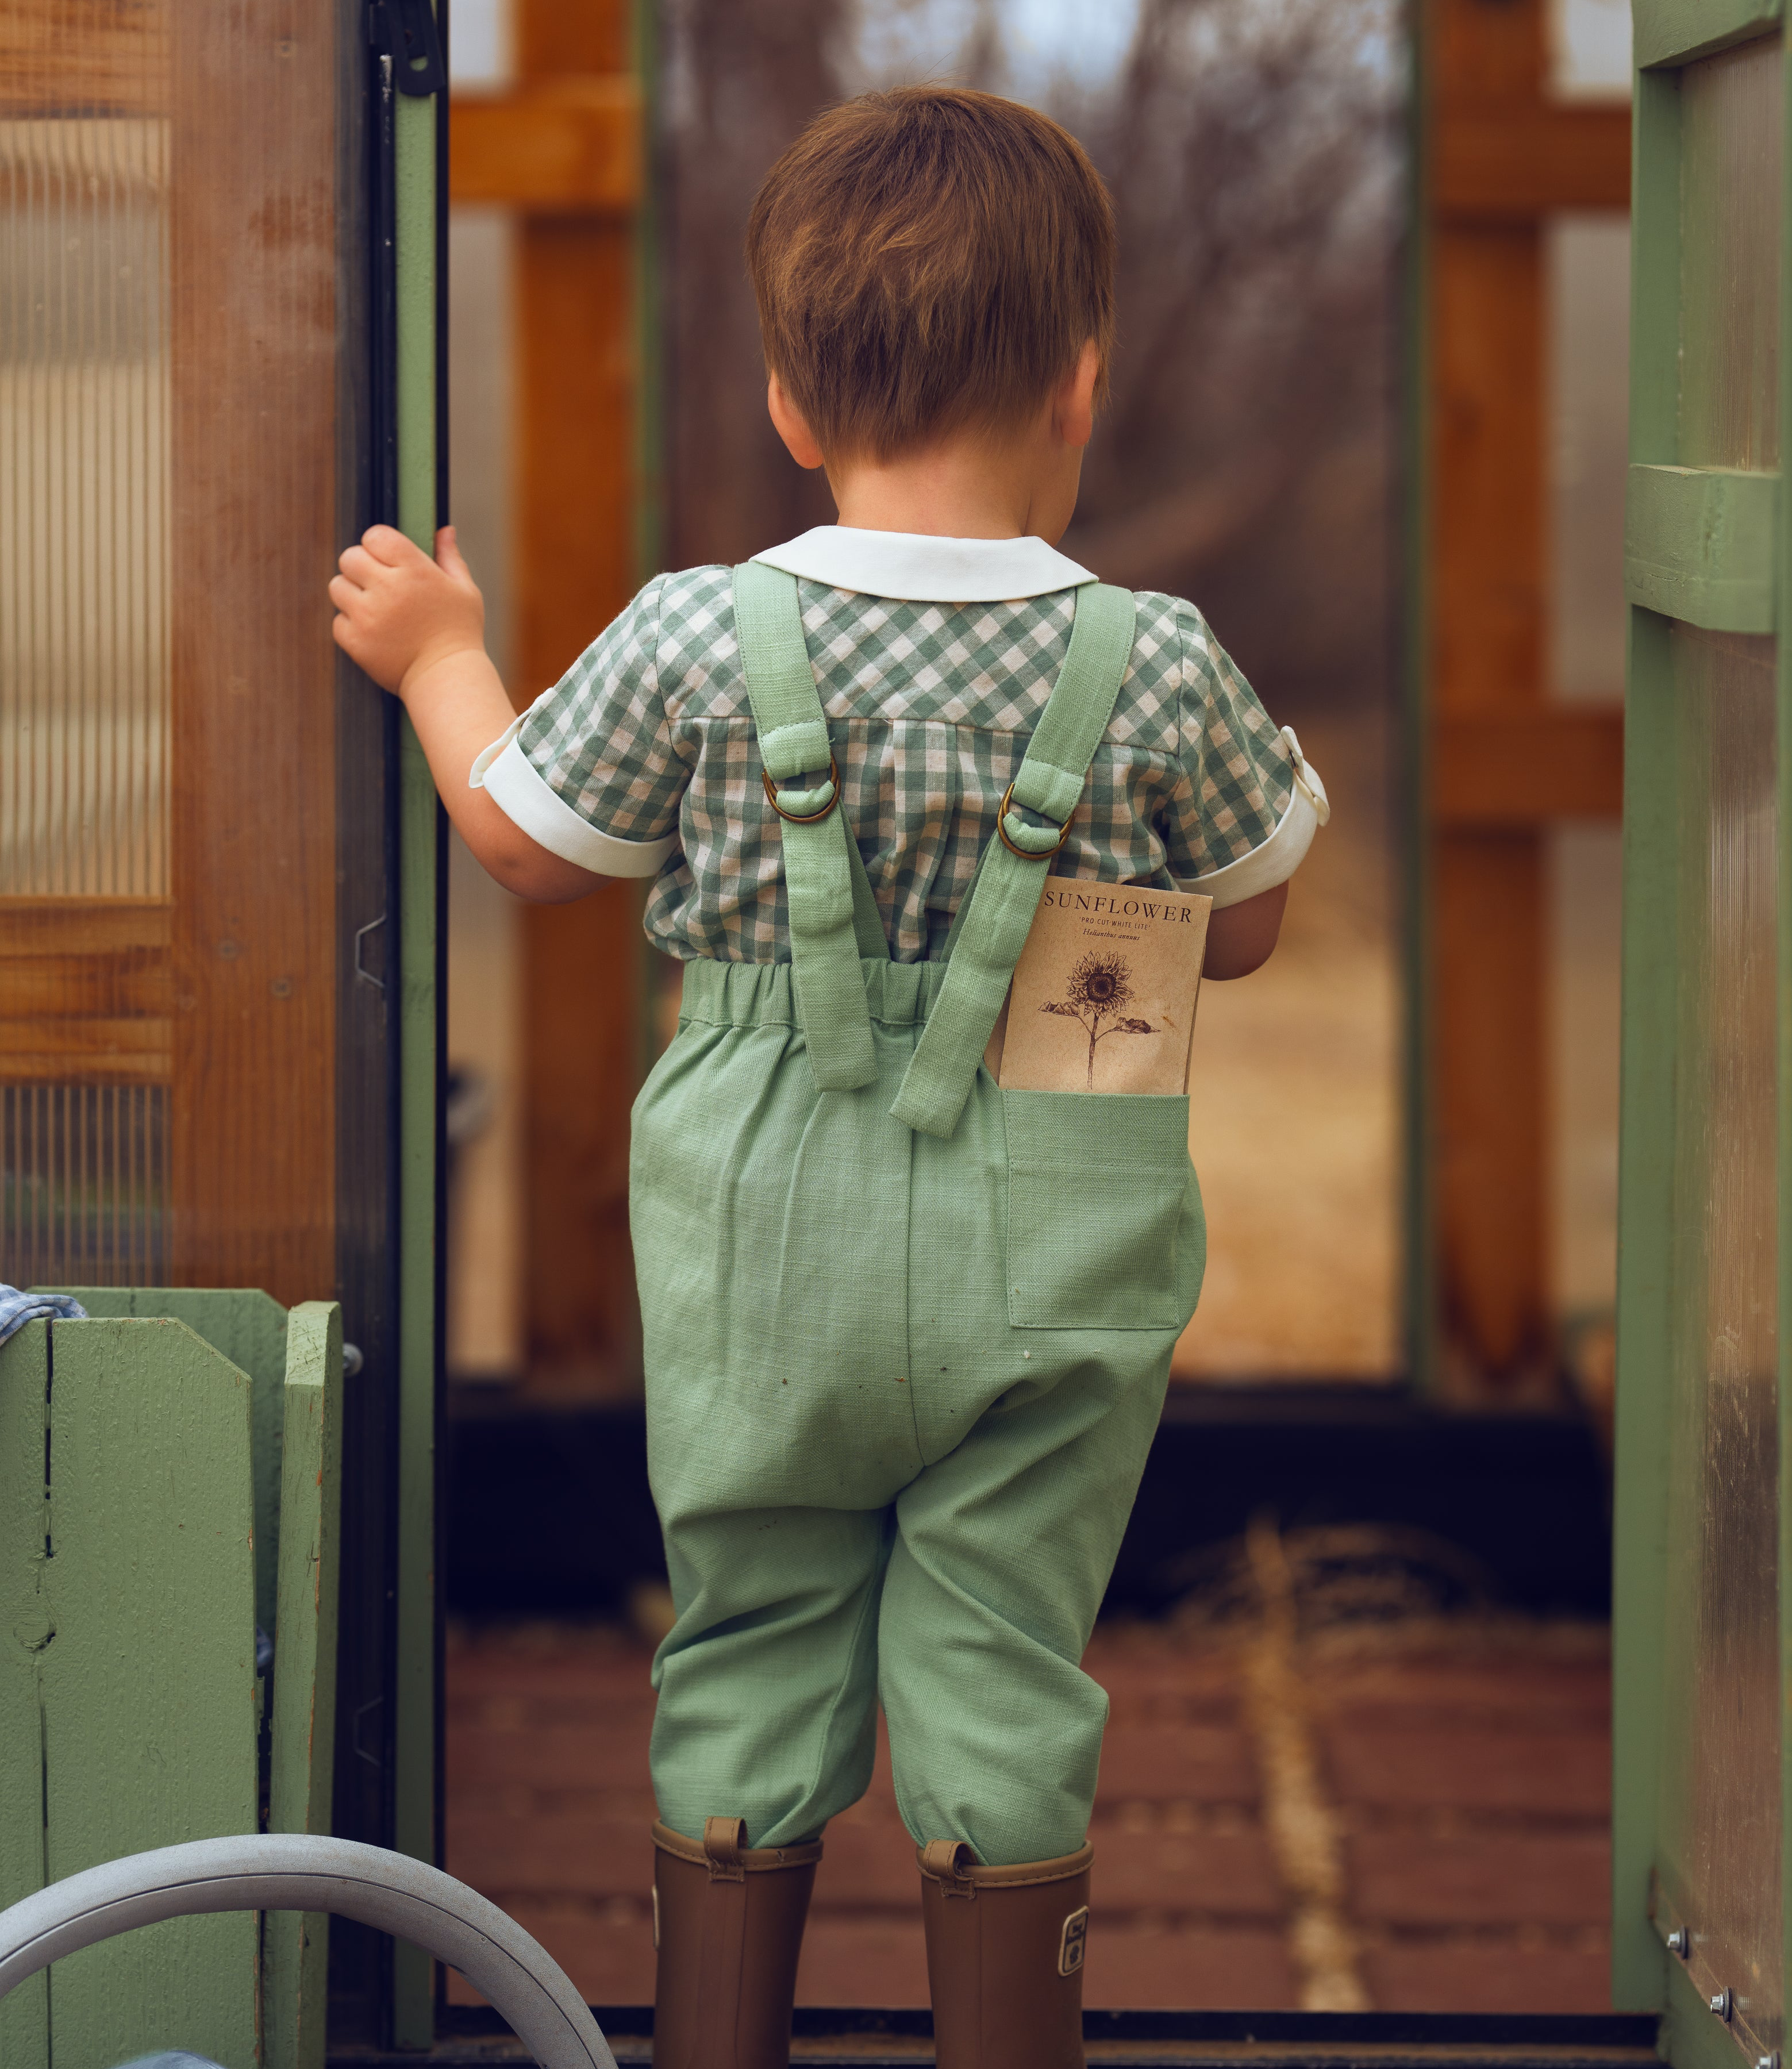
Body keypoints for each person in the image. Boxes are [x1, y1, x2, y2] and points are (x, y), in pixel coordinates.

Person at [329, 84, 1327, 2069]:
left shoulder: (701, 634)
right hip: (1056, 1237)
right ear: (1081, 384)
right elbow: (1250, 920)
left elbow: (526, 847)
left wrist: (446, 650)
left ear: (791, 401)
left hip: (762, 1248)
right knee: (1004, 1654)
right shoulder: (1161, 659)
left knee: (757, 1619)